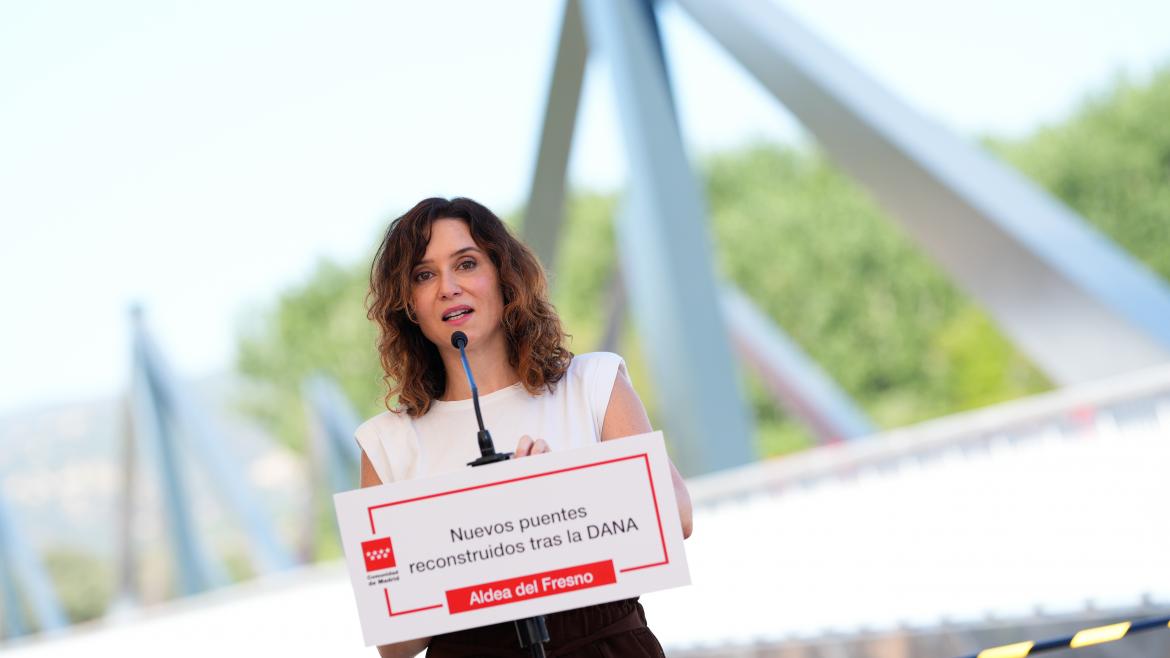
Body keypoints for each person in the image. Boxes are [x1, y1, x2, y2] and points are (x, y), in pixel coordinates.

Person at [356, 197, 693, 658]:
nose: (448, 288)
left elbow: (678, 516)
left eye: (466, 263)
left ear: (503, 275)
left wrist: (557, 495)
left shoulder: (591, 383)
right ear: (408, 304)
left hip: (603, 641)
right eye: (424, 275)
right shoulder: (387, 444)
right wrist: (479, 536)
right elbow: (395, 645)